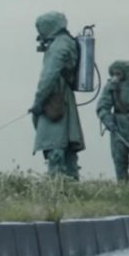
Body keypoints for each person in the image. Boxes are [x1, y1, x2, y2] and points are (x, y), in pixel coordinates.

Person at [30, 11, 85, 179]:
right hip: (63, 94)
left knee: (54, 139)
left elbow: (48, 76)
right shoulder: (66, 41)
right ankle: (69, 176)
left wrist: (39, 102)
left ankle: (57, 179)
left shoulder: (59, 45)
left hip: (55, 96)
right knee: (65, 141)